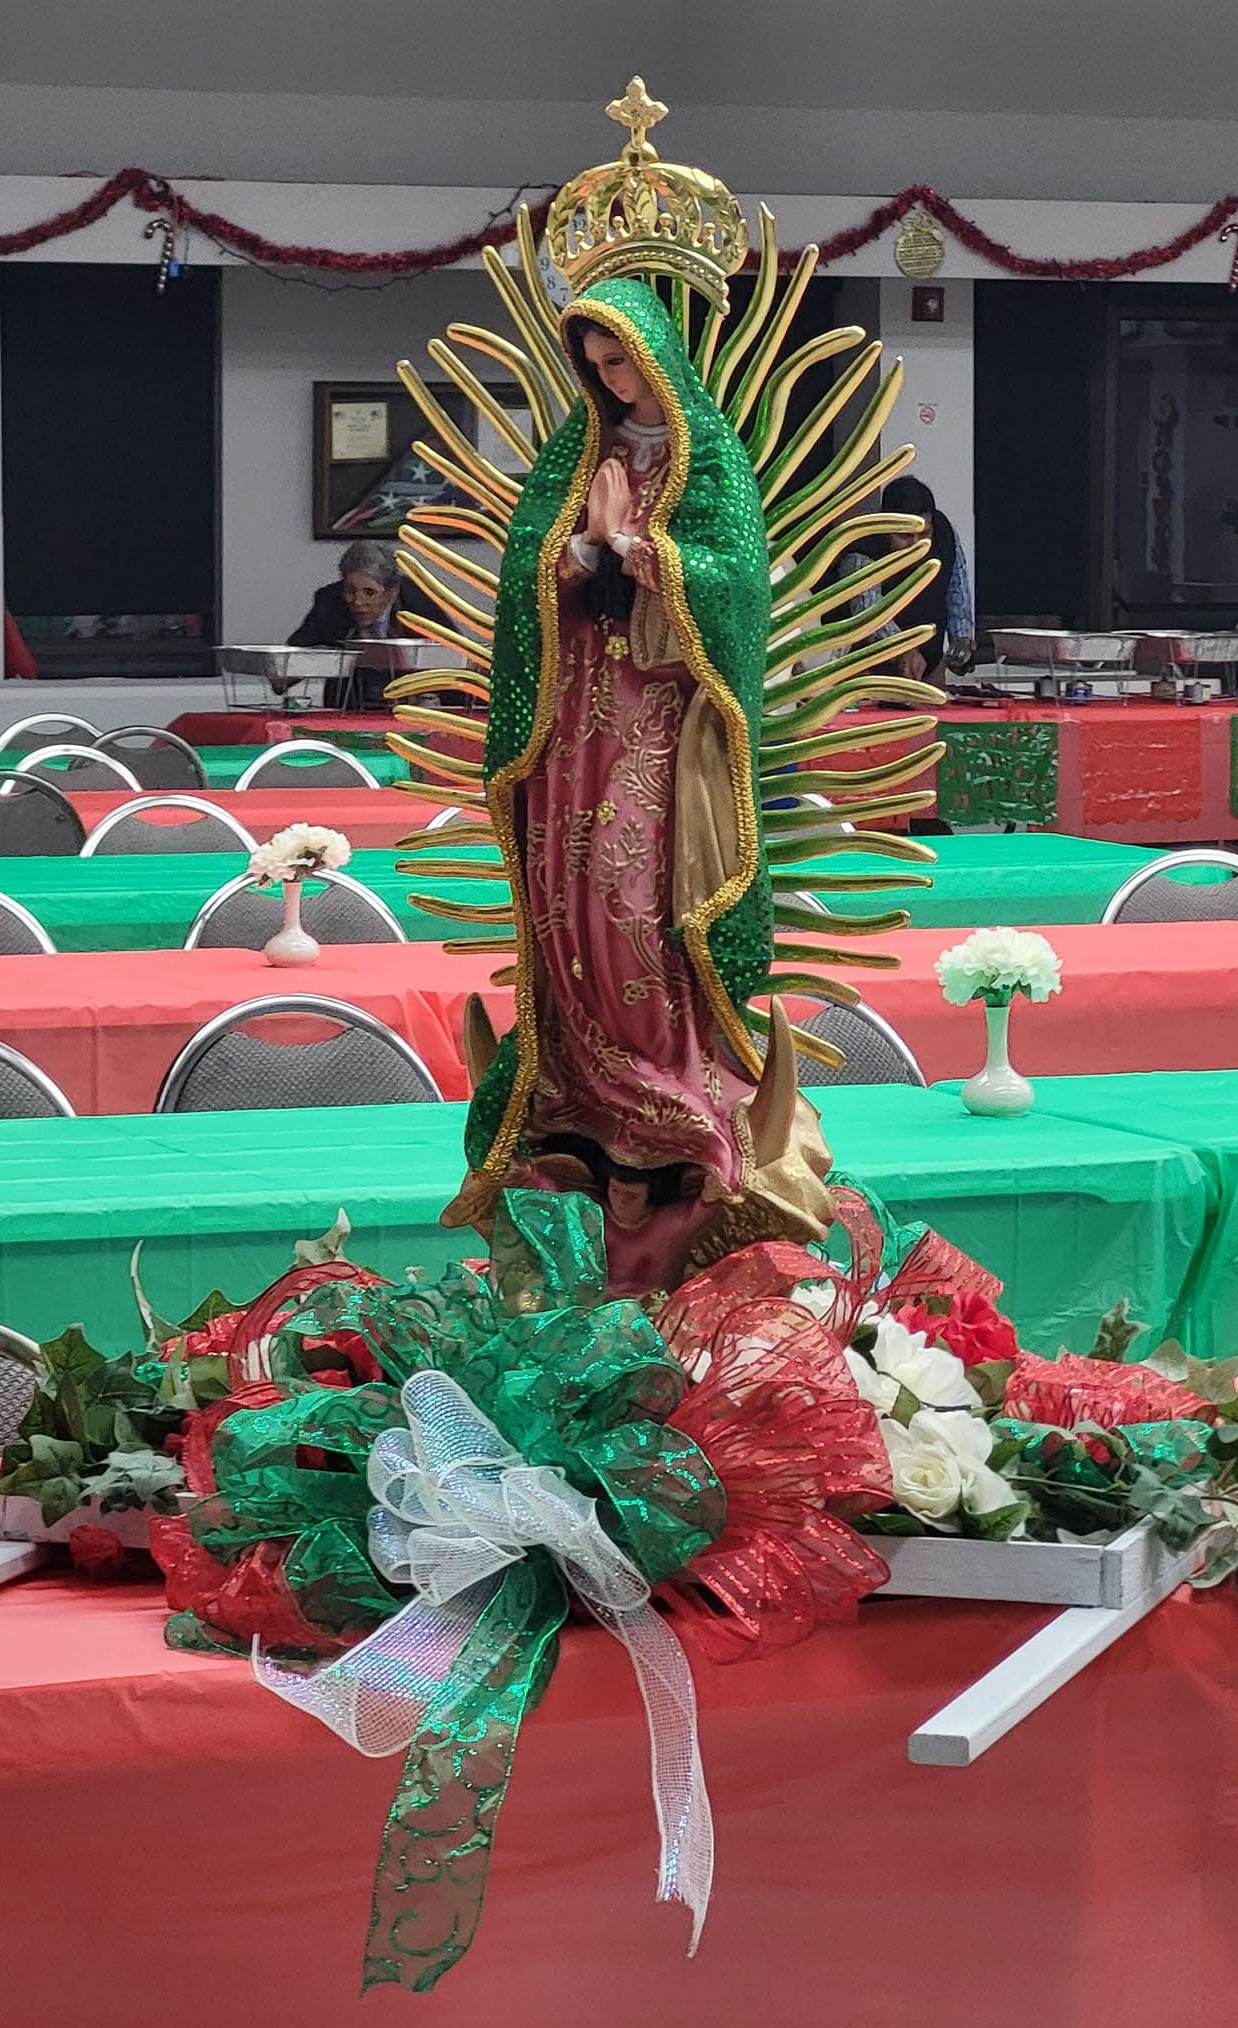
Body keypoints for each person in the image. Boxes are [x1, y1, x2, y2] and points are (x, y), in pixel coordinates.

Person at [445, 280, 833, 1291]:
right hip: (574, 724)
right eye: (595, 365)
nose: (612, 381)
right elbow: (526, 584)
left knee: (636, 904)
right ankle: (580, 1085)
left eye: (621, 359)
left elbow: (737, 586)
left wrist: (641, 548)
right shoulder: (574, 456)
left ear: (657, 352)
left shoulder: (711, 461)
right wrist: (577, 552)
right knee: (571, 899)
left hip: (663, 732)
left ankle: (666, 1082)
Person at [846, 475, 975, 681]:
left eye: (924, 534)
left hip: (929, 665)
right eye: (904, 536)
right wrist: (904, 650)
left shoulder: (944, 533)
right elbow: (870, 616)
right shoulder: (863, 553)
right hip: (869, 675)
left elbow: (957, 591)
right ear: (886, 528)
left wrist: (962, 640)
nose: (916, 545)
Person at [286, 538, 420, 707]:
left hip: (406, 703)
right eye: (350, 591)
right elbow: (291, 662)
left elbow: (447, 657)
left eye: (369, 592)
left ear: (392, 592)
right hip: (347, 704)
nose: (358, 601)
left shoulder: (418, 603)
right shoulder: (330, 602)